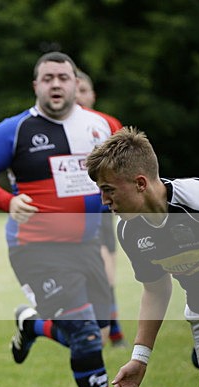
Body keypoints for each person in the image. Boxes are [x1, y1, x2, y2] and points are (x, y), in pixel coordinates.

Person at [0, 52, 135, 387]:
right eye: (47, 78)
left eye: (63, 77)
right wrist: (7, 201)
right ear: (36, 86)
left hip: (87, 244)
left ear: (76, 83)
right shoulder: (15, 130)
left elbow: (131, 172)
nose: (56, 84)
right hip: (36, 249)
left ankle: (33, 325)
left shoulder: (105, 126)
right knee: (86, 338)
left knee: (98, 331)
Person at [85, 126, 199, 387]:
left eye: (108, 190)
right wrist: (140, 358)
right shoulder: (129, 231)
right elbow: (156, 289)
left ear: (140, 183)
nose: (104, 201)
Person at [76, 69, 127, 347]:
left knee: (106, 269)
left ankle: (111, 327)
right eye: (75, 90)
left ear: (93, 95)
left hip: (102, 207)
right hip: (73, 211)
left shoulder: (107, 124)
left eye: (83, 90)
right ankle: (100, 328)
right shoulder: (56, 129)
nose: (78, 96)